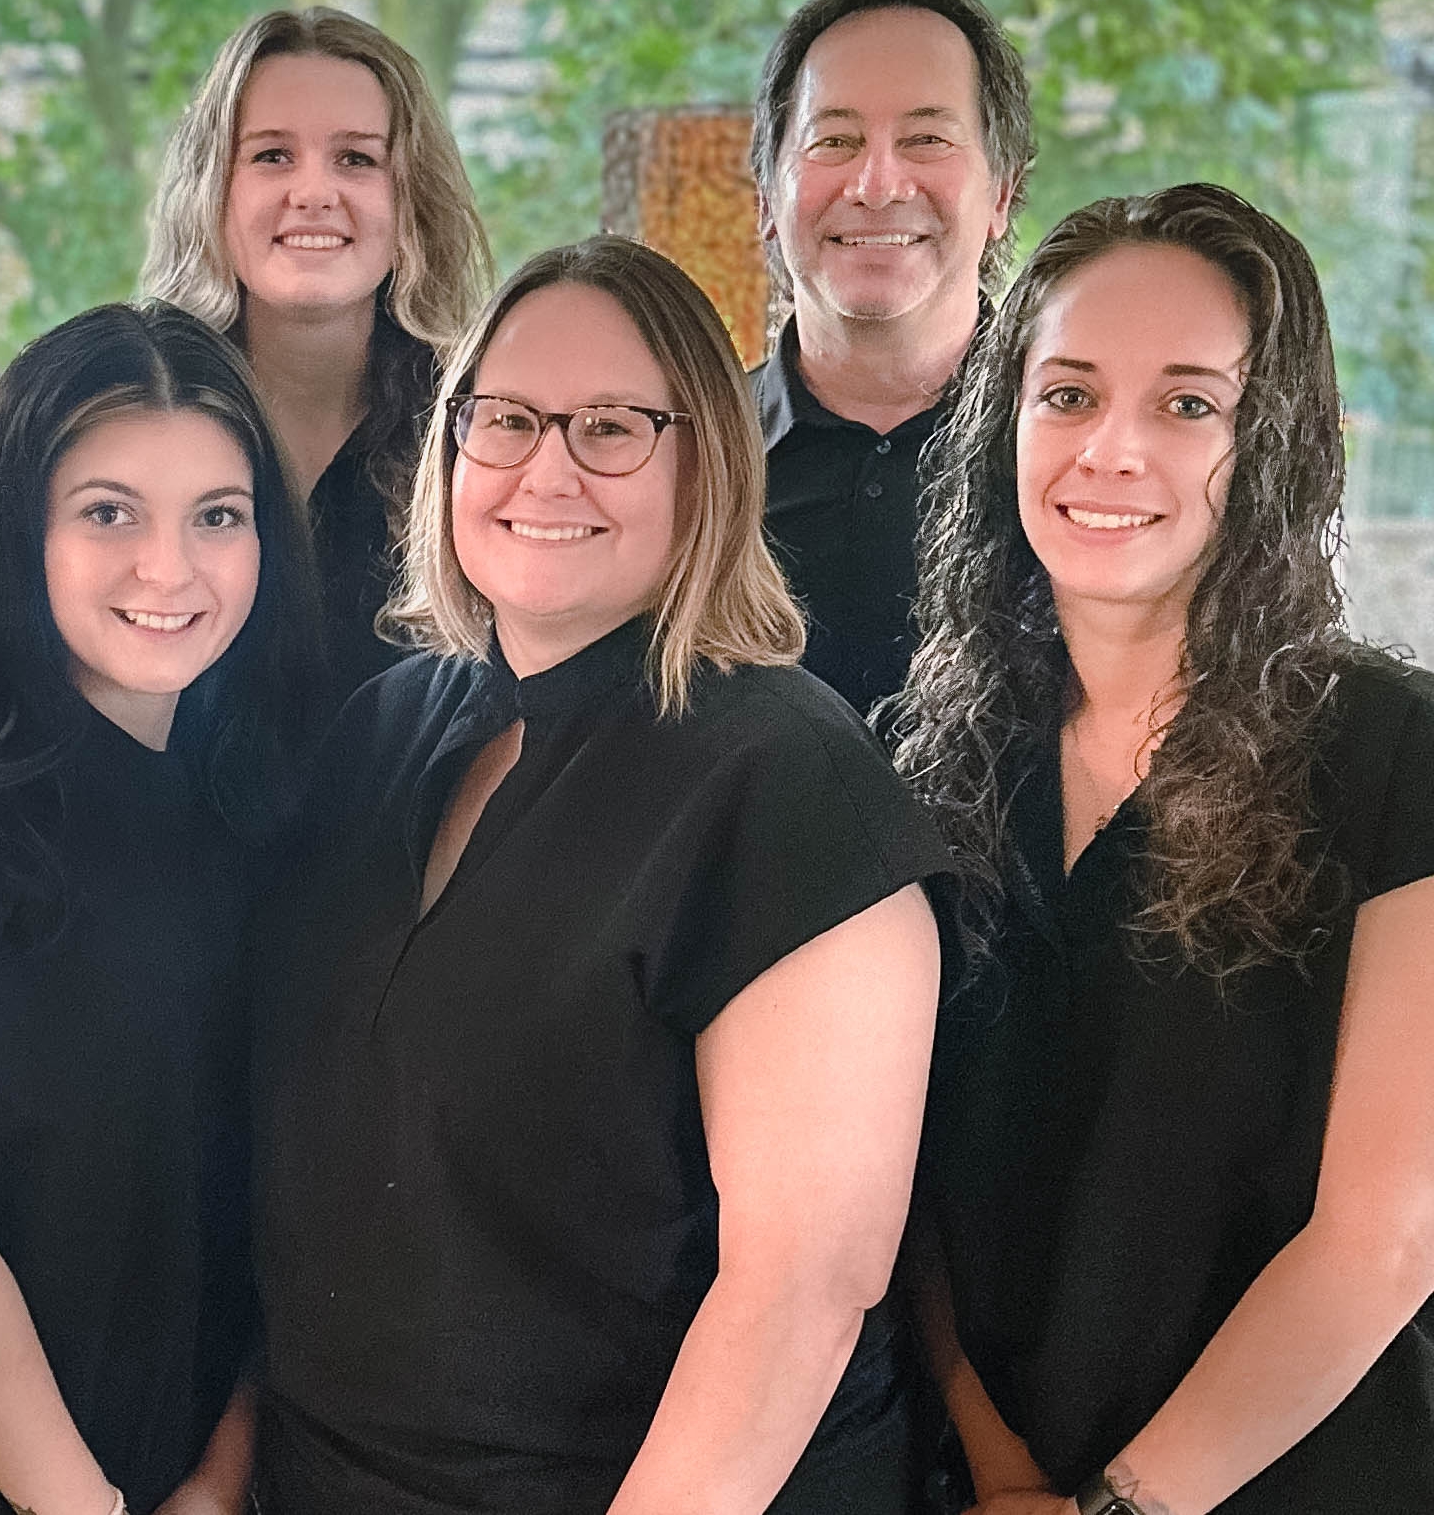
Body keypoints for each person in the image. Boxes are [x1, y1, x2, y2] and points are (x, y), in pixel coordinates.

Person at [255, 234, 950, 1514]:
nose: (546, 469)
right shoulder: (384, 731)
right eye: (506, 419)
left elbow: (800, 1291)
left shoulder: (788, 780)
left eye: (614, 428)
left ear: (710, 464)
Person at [890, 184, 1434, 1514]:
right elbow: (903, 1193)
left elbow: (1385, 1235)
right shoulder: (925, 757)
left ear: (1274, 442)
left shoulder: (1393, 756)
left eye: (1188, 404)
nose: (1110, 449)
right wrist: (999, 1462)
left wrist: (1124, 1506)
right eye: (1067, 393)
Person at [0, 301, 324, 1515]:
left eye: (218, 518)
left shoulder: (268, 816)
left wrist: (221, 1480)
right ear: (14, 531)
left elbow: (289, 1198)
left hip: (218, 1470)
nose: (168, 569)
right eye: (107, 514)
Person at [144, 6, 494, 706]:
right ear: (214, 190)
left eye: (357, 159)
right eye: (272, 155)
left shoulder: (484, 434)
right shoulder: (127, 414)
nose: (312, 193)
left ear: (410, 201)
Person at [749, 0, 1033, 717]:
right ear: (767, 198)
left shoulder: (1078, 462)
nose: (876, 185)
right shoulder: (679, 459)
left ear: (1001, 193)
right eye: (833, 140)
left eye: (927, 138)